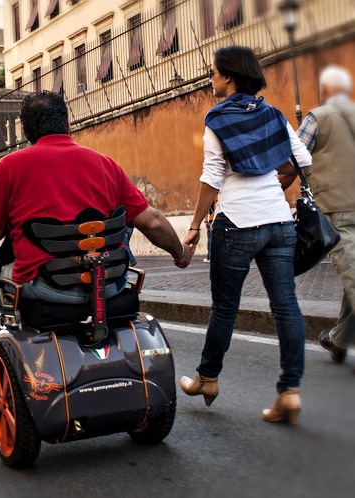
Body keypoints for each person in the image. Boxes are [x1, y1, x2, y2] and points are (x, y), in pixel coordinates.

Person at [178, 46, 312, 425]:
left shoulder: (217, 118)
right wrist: (273, 179)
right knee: (286, 306)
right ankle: (289, 391)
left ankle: (207, 378)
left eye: (214, 72)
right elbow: (303, 159)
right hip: (279, 223)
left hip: (236, 223)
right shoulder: (273, 114)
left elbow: (212, 177)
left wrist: (193, 226)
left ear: (229, 76)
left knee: (225, 308)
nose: (211, 78)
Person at [0, 91, 192, 307]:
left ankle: (18, 330)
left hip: (48, 288)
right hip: (108, 284)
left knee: (2, 279)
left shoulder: (9, 167)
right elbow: (152, 222)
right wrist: (180, 253)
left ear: (25, 132)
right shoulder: (106, 165)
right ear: (68, 125)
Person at [296, 65, 355, 364]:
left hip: (336, 208)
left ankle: (339, 339)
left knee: (353, 276)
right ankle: (340, 339)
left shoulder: (317, 117)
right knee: (352, 274)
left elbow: (293, 154)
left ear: (325, 90)